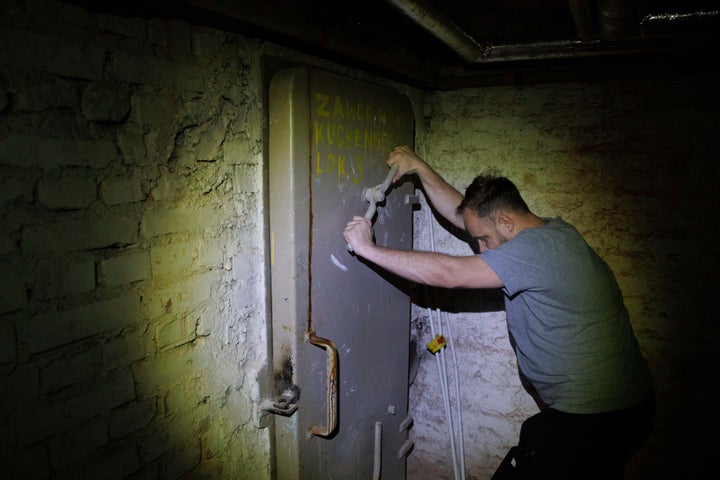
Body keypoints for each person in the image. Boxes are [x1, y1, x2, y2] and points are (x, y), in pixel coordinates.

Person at [343, 146, 655, 479]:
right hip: (616, 408)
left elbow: (450, 274)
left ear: (506, 220)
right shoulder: (551, 233)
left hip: (598, 418)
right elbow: (464, 215)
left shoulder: (535, 250)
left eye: (484, 240)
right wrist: (420, 168)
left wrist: (368, 248)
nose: (480, 248)